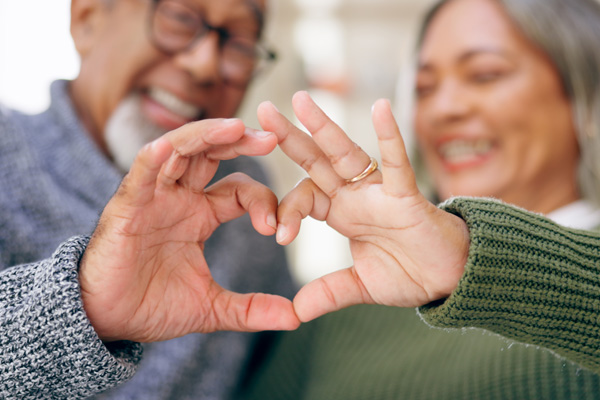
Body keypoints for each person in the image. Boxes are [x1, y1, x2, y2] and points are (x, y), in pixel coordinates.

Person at [238, 0, 600, 398]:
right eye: (424, 88)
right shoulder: (346, 306)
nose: (441, 109)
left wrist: (474, 260)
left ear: (584, 90)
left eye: (485, 75)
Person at [0, 0, 299, 398]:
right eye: (179, 17)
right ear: (86, 19)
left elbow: (290, 358)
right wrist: (80, 305)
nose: (205, 63)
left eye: (240, 42)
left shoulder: (244, 197)